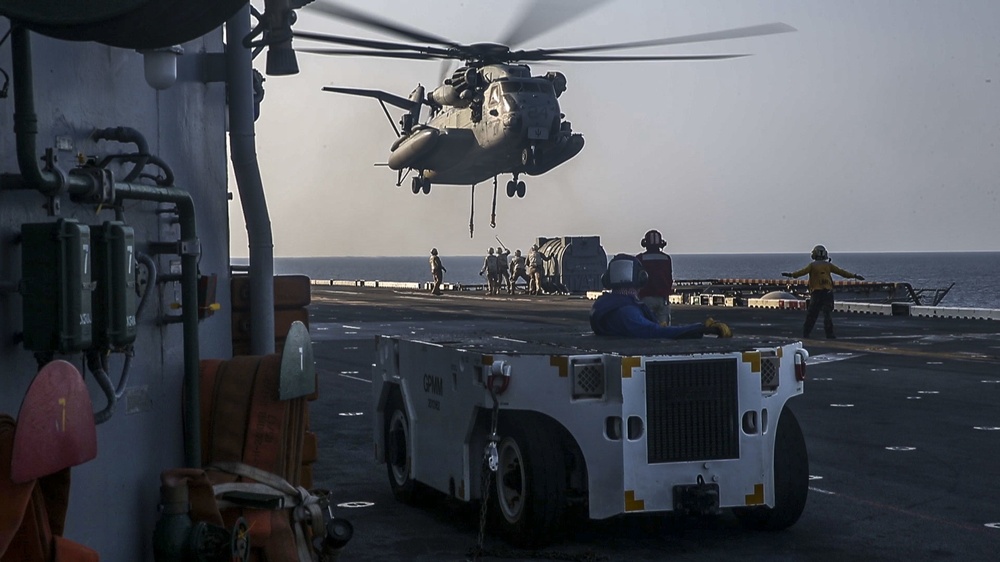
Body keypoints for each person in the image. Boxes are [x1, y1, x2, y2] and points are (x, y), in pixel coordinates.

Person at [591, 254, 732, 339]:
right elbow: (653, 332)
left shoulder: (603, 304)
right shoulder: (627, 311)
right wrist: (700, 328)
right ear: (641, 278)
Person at [782, 244, 865, 339]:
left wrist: (790, 275)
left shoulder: (812, 265)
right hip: (828, 293)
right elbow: (842, 272)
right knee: (827, 315)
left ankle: (806, 334)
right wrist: (855, 276)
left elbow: (801, 273)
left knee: (812, 315)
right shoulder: (828, 265)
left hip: (816, 293)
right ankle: (830, 335)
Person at [635, 229, 673, 326]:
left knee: (645, 326)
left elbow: (636, 279)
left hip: (645, 298)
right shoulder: (666, 258)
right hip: (662, 299)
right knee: (663, 327)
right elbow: (669, 278)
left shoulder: (640, 258)